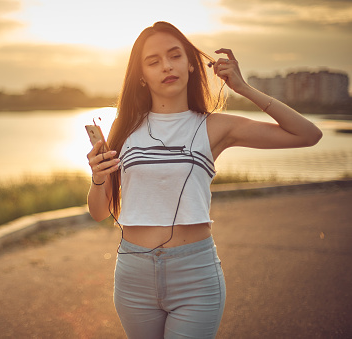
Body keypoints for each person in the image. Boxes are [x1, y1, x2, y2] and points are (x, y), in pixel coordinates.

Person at [86, 21, 322, 339]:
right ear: (141, 76)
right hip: (133, 274)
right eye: (153, 61)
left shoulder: (215, 127)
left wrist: (244, 88)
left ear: (191, 64)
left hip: (194, 275)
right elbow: (100, 213)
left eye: (175, 56)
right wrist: (98, 179)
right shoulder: (123, 128)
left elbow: (308, 134)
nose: (167, 66)